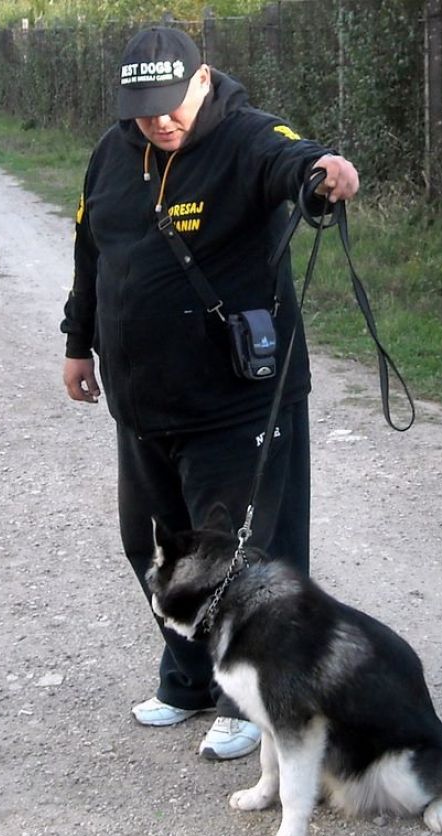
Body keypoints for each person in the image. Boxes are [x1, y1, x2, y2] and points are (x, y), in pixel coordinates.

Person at [61, 26, 359, 761]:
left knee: (242, 558)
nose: (158, 120)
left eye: (171, 103)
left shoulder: (247, 136)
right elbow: (91, 252)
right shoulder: (110, 154)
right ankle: (191, 679)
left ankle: (251, 701)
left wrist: (320, 172)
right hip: (142, 400)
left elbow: (291, 160)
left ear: (203, 79)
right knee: (154, 548)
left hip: (236, 402)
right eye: (142, 110)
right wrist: (77, 341)